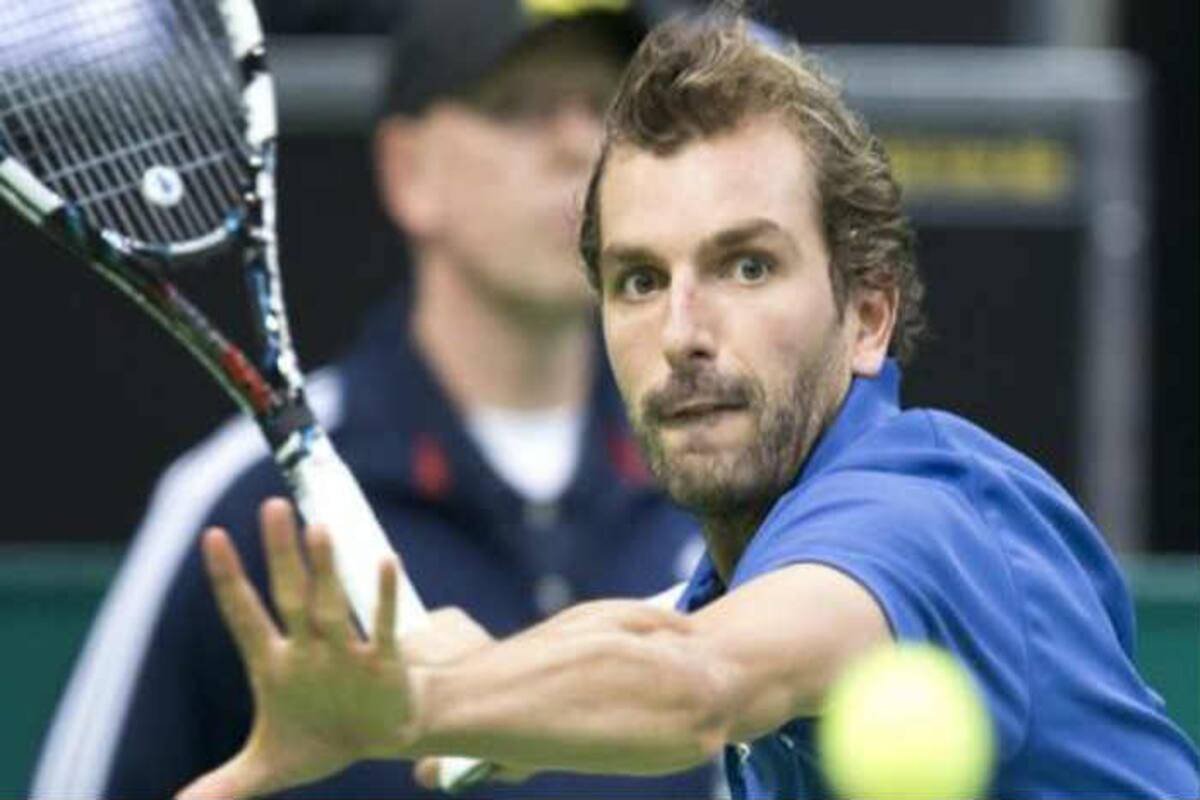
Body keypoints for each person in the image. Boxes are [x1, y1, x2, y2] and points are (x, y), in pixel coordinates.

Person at [175, 7, 1200, 800]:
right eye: (637, 279)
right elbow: (646, 633)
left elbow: (696, 675)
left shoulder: (921, 514)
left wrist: (412, 702)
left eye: (747, 265)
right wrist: (487, 675)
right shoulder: (748, 577)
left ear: (868, 317)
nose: (682, 330)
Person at [30, 2, 718, 799]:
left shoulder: (717, 484)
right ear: (407, 171)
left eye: (608, 109)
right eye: (521, 110)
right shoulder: (237, 502)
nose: (578, 145)